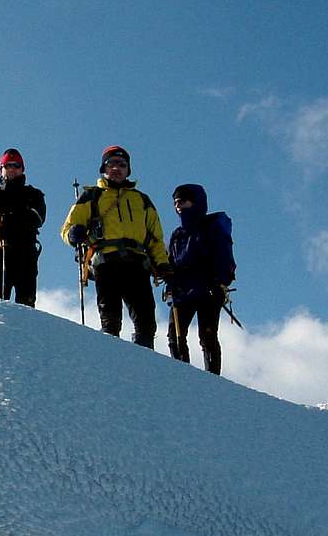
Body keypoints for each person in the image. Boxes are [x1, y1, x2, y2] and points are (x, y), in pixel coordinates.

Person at [61, 145, 172, 347]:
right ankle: (112, 362)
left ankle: (143, 363)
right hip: (106, 262)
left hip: (137, 264)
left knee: (146, 321)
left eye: (122, 164)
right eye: (111, 164)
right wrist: (73, 234)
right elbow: (67, 229)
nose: (117, 168)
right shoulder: (92, 196)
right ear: (104, 168)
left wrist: (163, 264)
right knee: (110, 319)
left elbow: (155, 238)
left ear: (128, 170)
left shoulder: (142, 200)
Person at [165, 183, 236, 375]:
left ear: (196, 202)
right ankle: (182, 373)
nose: (179, 206)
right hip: (182, 290)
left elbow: (224, 255)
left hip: (207, 288)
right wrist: (168, 277)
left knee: (207, 335)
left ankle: (210, 377)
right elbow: (170, 261)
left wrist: (221, 281)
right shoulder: (177, 235)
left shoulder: (211, 227)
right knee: (175, 336)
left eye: (183, 201)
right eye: (176, 202)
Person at [0, 148, 46, 307]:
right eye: (7, 166)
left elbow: (38, 218)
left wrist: (9, 221)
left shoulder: (34, 195)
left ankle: (25, 330)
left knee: (26, 302)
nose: (11, 169)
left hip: (25, 253)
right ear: (1, 169)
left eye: (16, 165)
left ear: (22, 169)